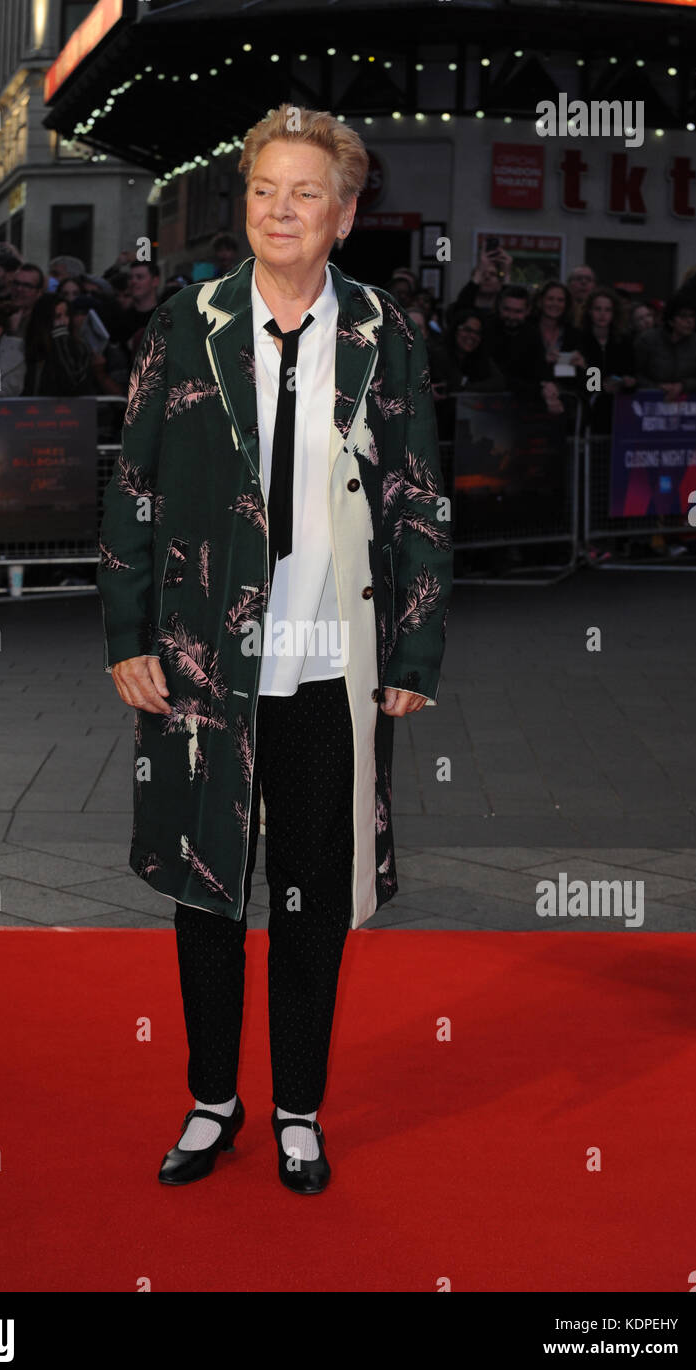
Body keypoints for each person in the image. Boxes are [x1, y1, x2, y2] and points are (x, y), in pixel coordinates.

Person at [96, 102, 452, 1196]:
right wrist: (128, 631)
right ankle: (213, 1098)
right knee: (207, 886)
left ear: (344, 215)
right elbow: (136, 485)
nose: (280, 210)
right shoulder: (185, 319)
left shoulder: (381, 331)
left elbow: (415, 496)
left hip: (331, 659)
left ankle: (298, 1106)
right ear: (242, 204)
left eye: (305, 193)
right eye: (263, 190)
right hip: (203, 656)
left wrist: (413, 650)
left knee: (310, 885)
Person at [507, 280, 586, 415]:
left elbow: (592, 385)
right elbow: (512, 371)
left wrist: (584, 367)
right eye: (550, 299)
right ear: (540, 301)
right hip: (526, 406)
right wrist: (543, 361)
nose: (555, 304)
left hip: (563, 410)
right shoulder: (524, 329)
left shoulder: (574, 335)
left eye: (560, 300)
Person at [430, 308, 505, 439]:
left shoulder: (481, 358)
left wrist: (466, 388)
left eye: (477, 333)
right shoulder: (438, 353)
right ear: (455, 330)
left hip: (468, 433)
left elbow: (499, 383)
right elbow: (452, 384)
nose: (472, 336)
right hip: (437, 430)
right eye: (467, 330)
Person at [579, 287, 636, 434]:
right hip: (588, 412)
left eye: (607, 310)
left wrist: (628, 381)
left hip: (618, 410)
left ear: (614, 313)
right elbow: (577, 375)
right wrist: (600, 386)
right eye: (598, 309)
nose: (602, 314)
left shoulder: (623, 341)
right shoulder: (579, 339)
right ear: (589, 311)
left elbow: (632, 372)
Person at [634, 297, 696, 398]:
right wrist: (656, 387)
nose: (690, 321)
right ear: (671, 321)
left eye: (692, 316)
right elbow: (635, 374)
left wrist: (683, 385)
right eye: (683, 316)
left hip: (686, 405)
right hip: (649, 402)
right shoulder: (648, 340)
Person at [23, 294, 95, 396]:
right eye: (57, 316)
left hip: (68, 409)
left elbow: (72, 382)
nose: (64, 321)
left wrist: (60, 338)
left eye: (67, 315)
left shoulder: (80, 347)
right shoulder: (29, 347)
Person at [7, 263, 46, 338]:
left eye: (27, 285)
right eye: (16, 283)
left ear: (39, 293)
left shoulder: (43, 323)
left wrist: (13, 332)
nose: (19, 289)